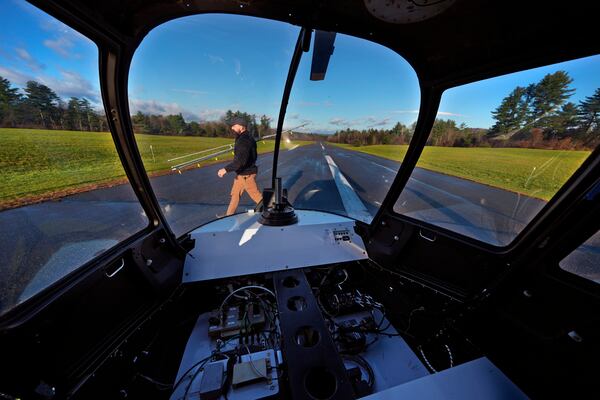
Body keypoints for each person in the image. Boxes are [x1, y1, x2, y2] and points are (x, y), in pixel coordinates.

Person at [218, 116, 263, 215]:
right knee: (235, 195)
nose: (232, 128)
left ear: (241, 126)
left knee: (257, 197)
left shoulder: (244, 140)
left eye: (234, 126)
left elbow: (240, 162)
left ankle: (273, 211)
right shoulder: (245, 138)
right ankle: (228, 216)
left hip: (247, 174)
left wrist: (225, 170)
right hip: (242, 174)